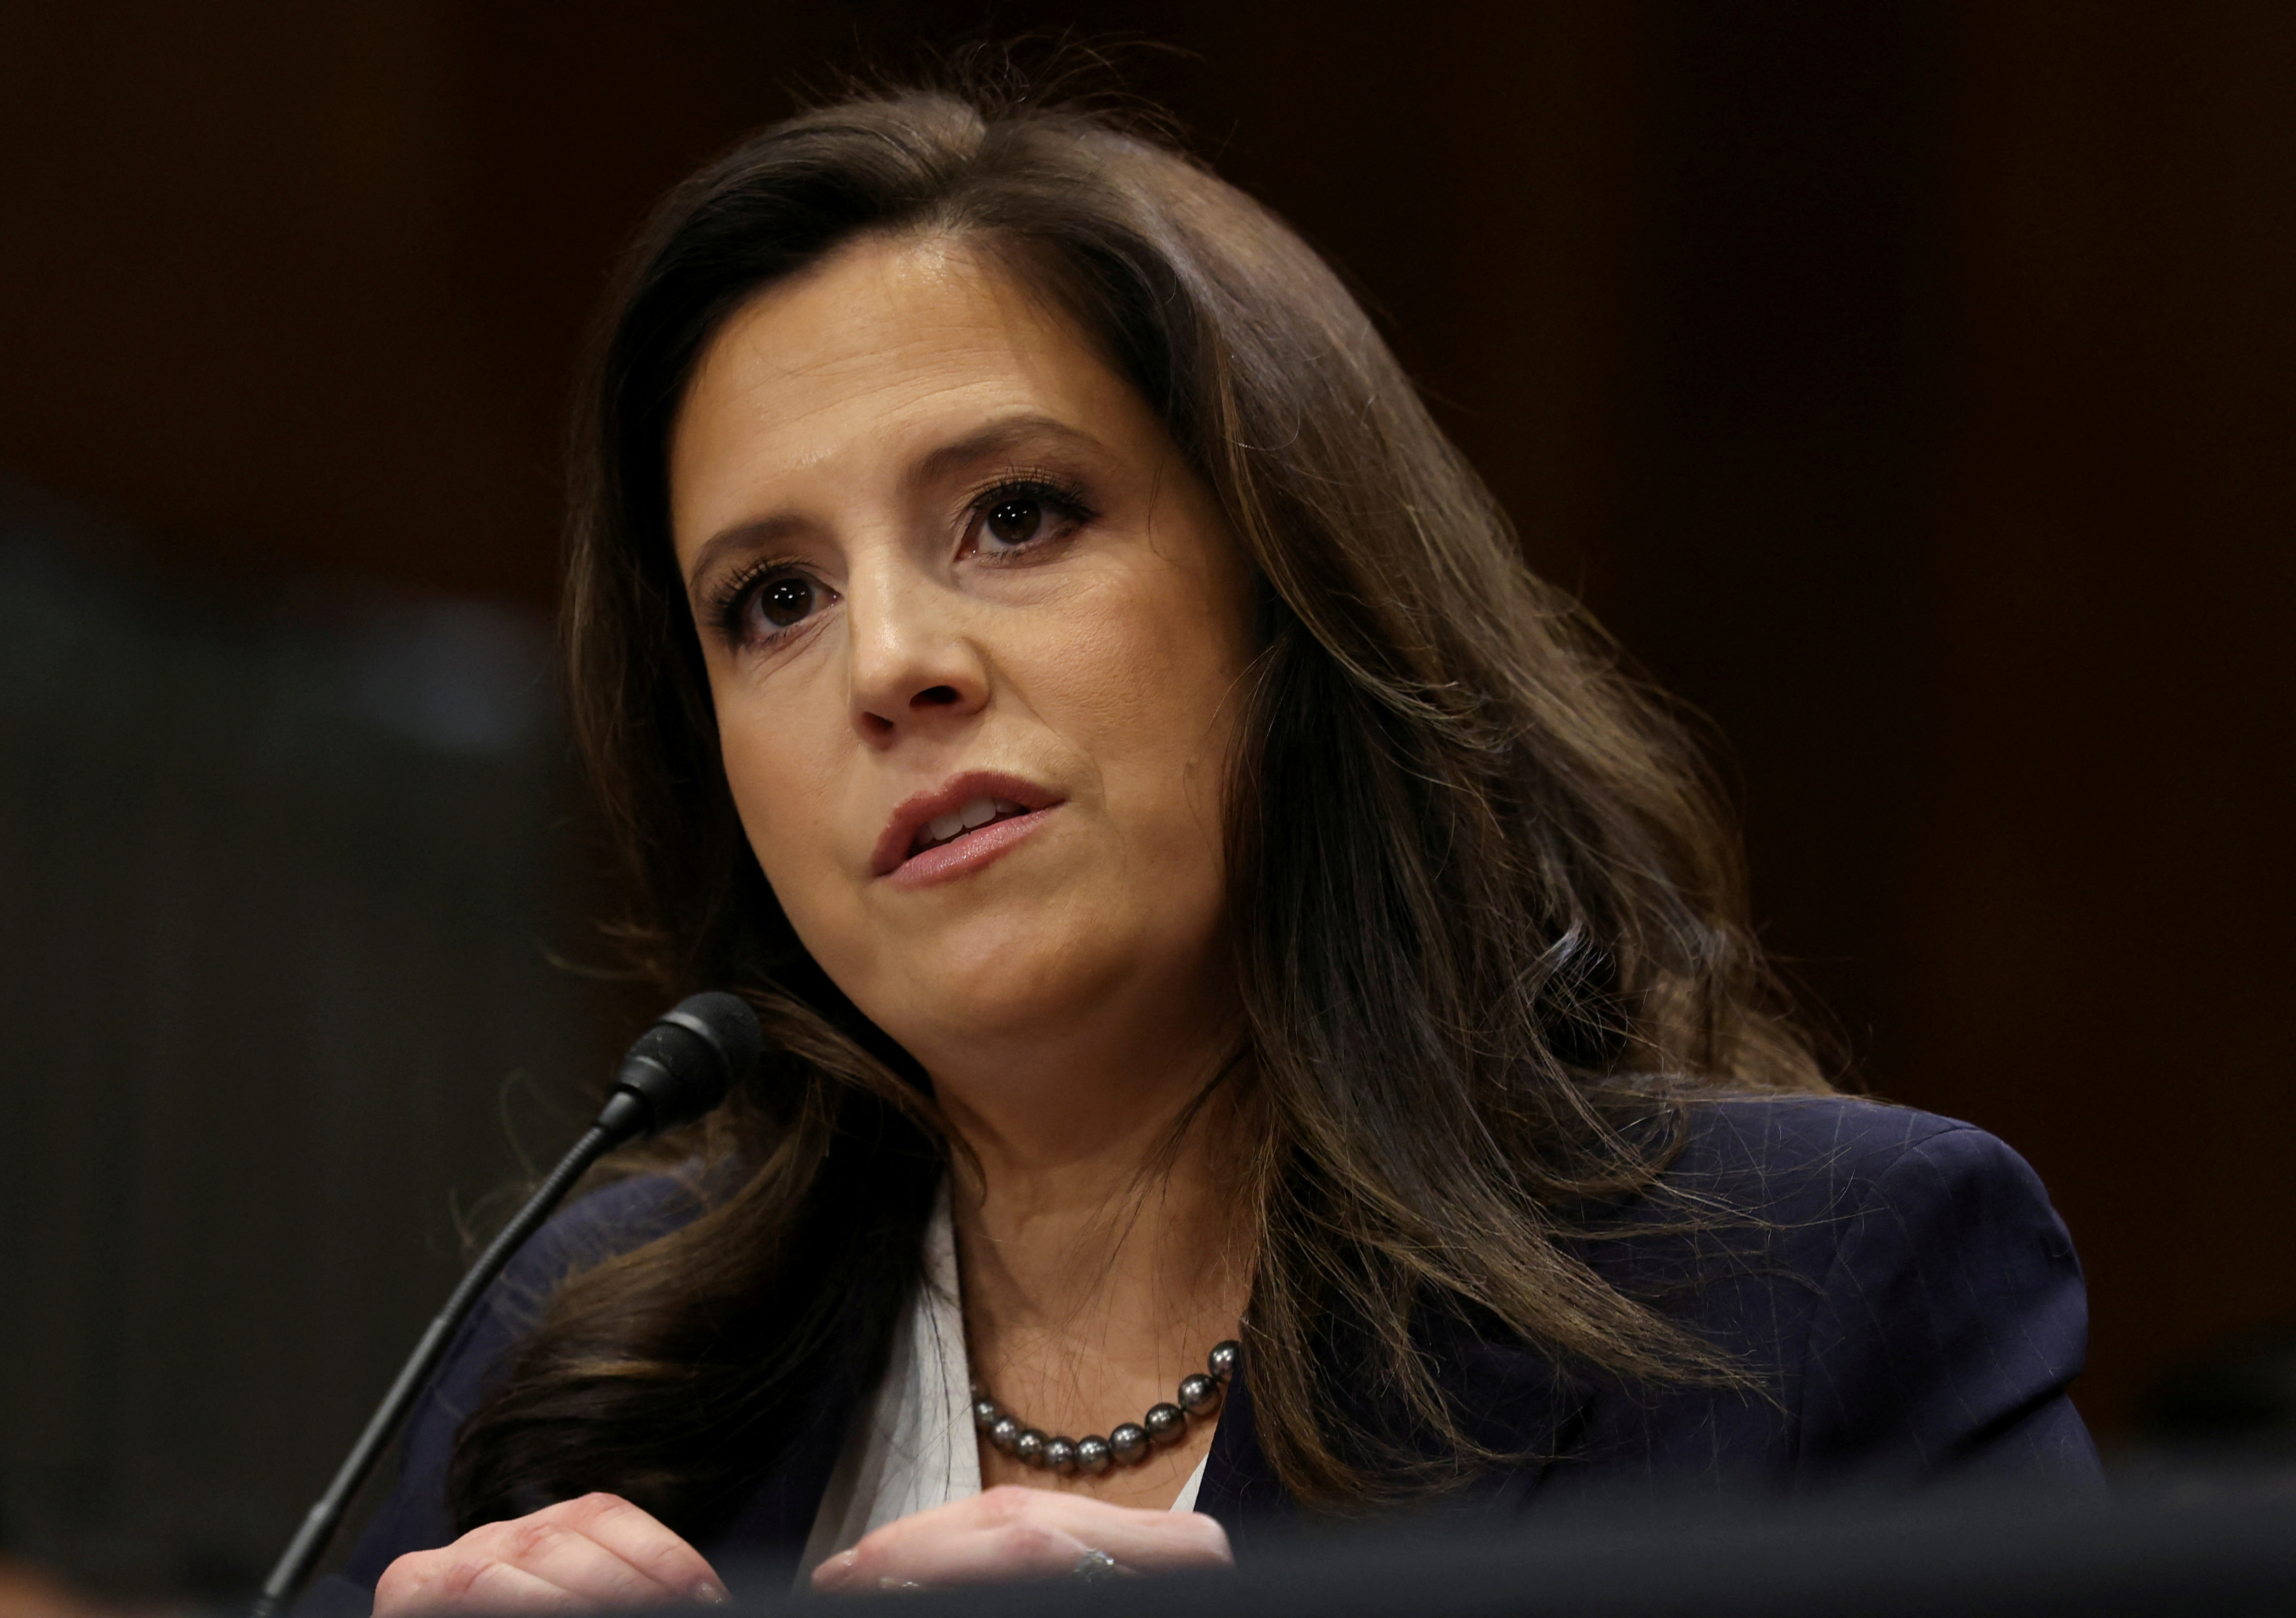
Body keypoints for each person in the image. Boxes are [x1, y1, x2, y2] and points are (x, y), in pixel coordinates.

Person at [319, 83, 2099, 1614]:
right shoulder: (578, 1367)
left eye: (1015, 515)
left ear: (1288, 593)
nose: (889, 664)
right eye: (772, 599)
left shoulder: (1813, 1295)